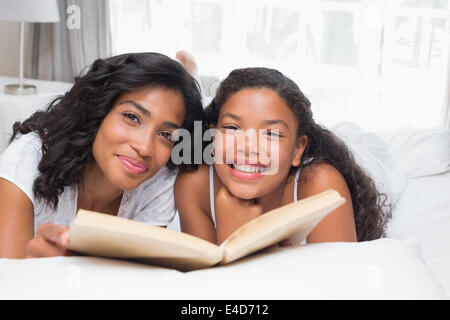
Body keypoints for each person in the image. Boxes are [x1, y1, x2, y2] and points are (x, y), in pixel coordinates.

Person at [0, 52, 204, 258]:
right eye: (132, 117)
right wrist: (37, 264)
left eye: (165, 134)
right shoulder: (26, 161)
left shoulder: (160, 184)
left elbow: (133, 279)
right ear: (98, 112)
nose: (144, 148)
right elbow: (11, 283)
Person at [175, 67, 392, 245]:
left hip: (370, 160)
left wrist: (243, 237)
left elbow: (337, 287)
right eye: (232, 128)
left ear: (298, 150)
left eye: (271, 133)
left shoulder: (321, 184)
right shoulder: (193, 184)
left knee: (373, 151)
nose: (248, 147)